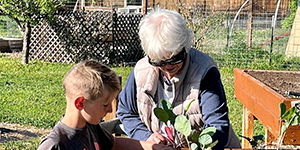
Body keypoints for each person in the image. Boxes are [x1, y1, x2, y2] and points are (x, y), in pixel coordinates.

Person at [116, 8, 241, 149]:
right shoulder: (141, 70)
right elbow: (126, 112)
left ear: (185, 47)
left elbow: (217, 126)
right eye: (159, 62)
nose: (168, 67)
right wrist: (146, 137)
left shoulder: (204, 71)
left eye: (174, 59)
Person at [37, 60, 174, 150]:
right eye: (105, 104)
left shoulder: (91, 127)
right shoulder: (54, 145)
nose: (110, 110)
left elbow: (115, 144)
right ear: (80, 103)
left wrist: (154, 148)